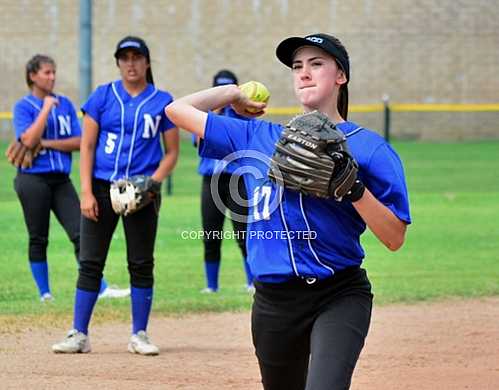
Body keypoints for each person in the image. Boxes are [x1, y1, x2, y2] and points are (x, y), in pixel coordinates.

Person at [166, 33, 411, 389]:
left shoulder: (370, 148)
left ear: (340, 76)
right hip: (273, 302)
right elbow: (176, 111)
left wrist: (354, 189)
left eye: (316, 64)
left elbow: (394, 237)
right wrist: (232, 94)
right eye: (298, 67)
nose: (304, 74)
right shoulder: (257, 137)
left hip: (338, 293)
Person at [52, 36, 179, 356]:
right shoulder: (102, 97)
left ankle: (139, 334)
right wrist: (85, 192)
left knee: (140, 263)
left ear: (147, 63)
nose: (131, 63)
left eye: (137, 57)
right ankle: (78, 333)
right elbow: (87, 146)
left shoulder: (162, 100)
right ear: (118, 63)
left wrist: (153, 184)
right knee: (90, 262)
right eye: (125, 58)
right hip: (101, 188)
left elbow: (172, 152)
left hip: (142, 193)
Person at [12, 54, 128, 302]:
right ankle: (45, 293)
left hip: (61, 180)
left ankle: (100, 287)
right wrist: (44, 111)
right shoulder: (23, 106)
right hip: (32, 179)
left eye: (54, 72)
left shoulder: (64, 104)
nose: (52, 77)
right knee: (38, 236)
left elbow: (80, 141)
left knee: (80, 232)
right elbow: (27, 140)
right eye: (46, 72)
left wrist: (45, 143)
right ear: (32, 76)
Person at [195, 69, 253, 293]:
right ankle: (211, 286)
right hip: (212, 180)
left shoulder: (243, 116)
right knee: (211, 233)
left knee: (244, 233)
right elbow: (197, 141)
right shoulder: (206, 116)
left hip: (237, 179)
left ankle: (252, 282)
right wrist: (215, 109)